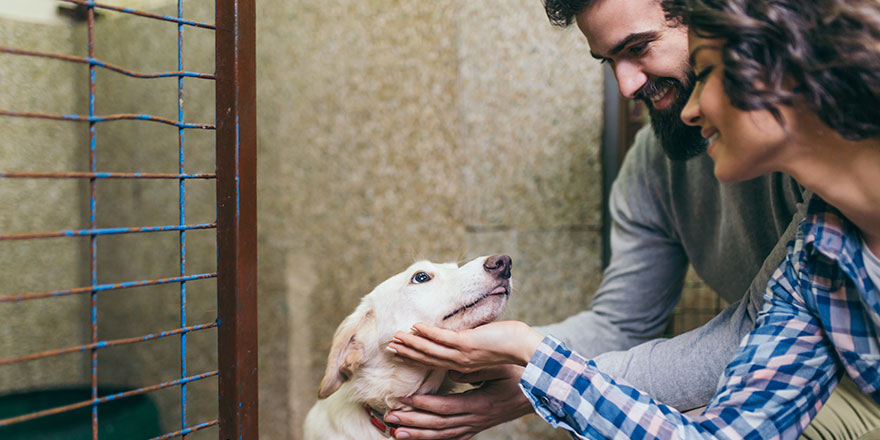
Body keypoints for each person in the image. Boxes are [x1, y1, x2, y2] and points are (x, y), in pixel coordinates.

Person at [382, 0, 880, 438]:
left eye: (640, 47)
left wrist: (537, 368)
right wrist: (526, 356)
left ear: (780, 59)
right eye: (609, 62)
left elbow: (746, 330)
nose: (625, 86)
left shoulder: (818, 214)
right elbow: (722, 425)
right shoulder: (818, 257)